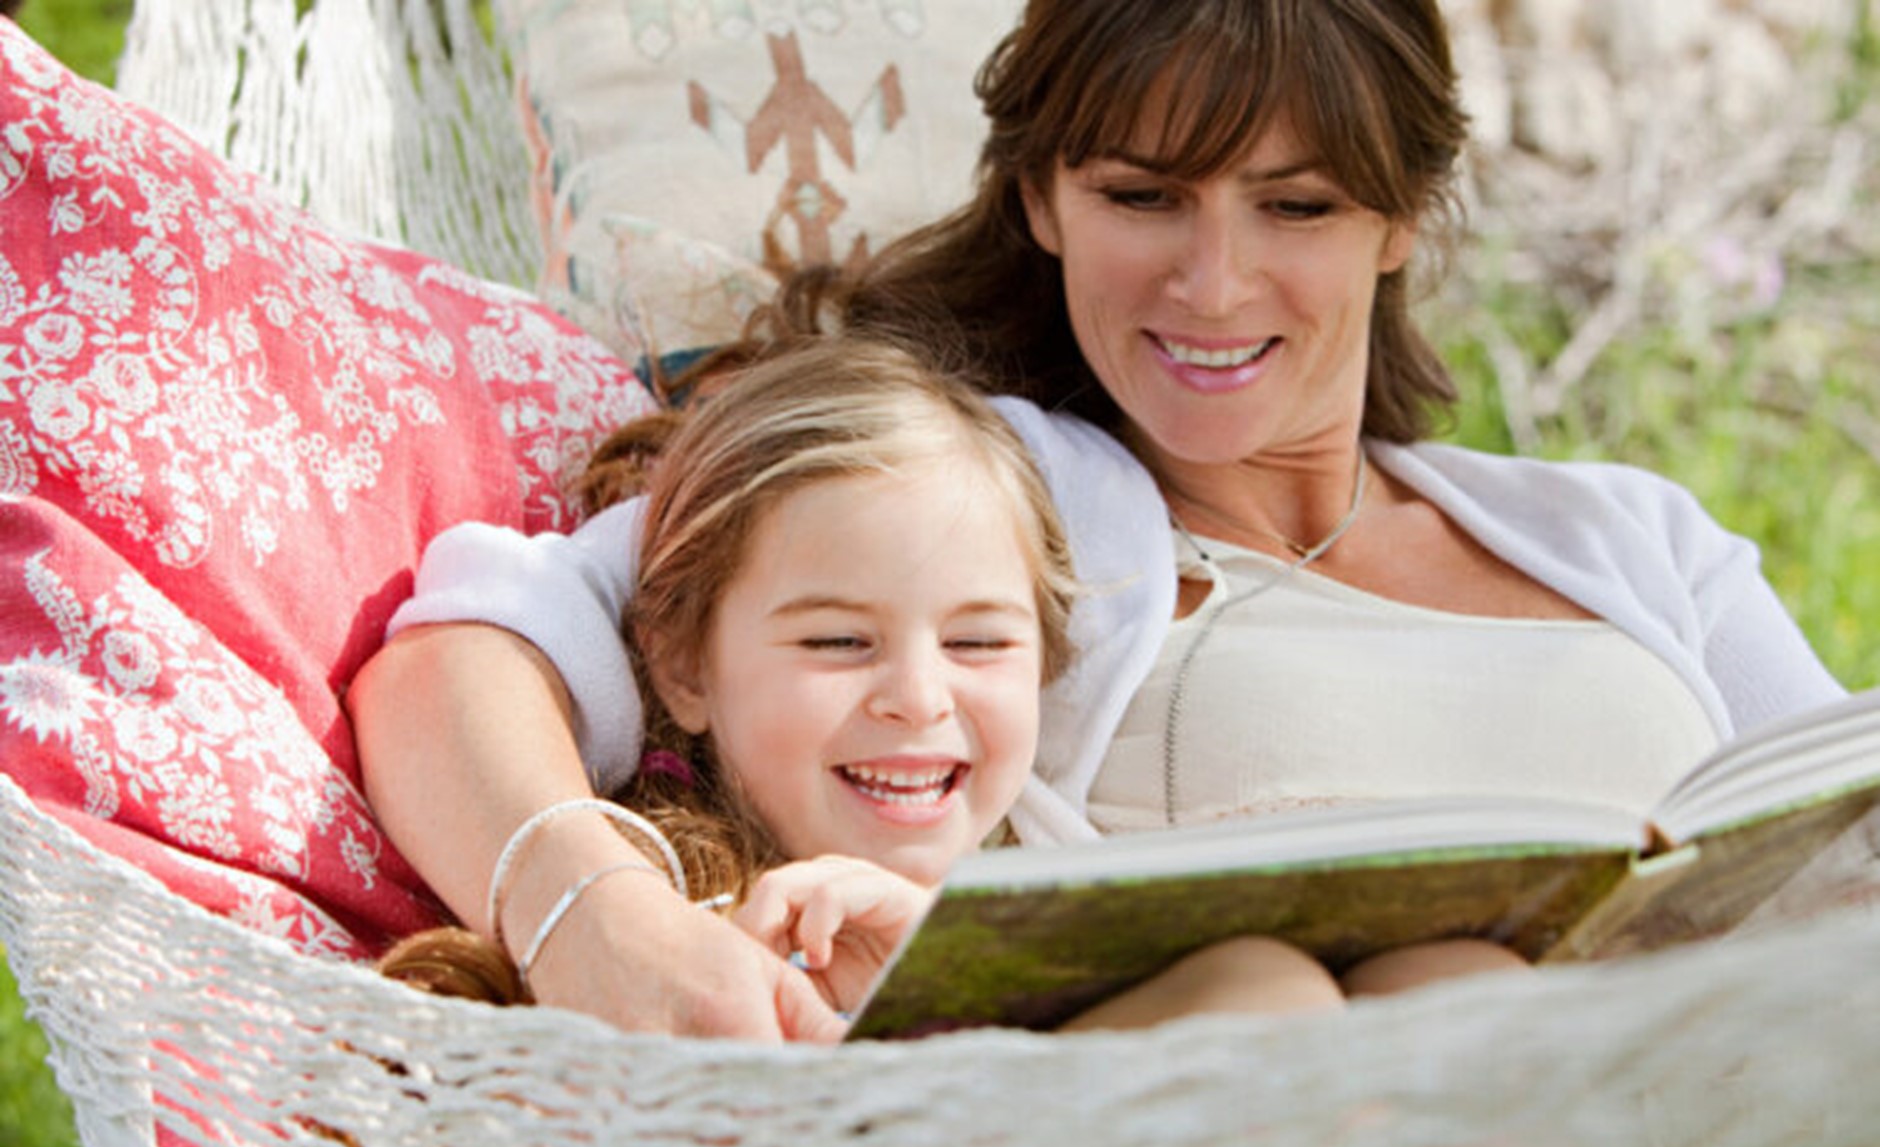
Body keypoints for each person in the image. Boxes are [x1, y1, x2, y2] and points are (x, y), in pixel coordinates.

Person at [348, 0, 1845, 1040]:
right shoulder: (978, 492)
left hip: (1761, 1104)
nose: (1212, 282)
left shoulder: (1632, 537)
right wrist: (599, 917)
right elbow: (463, 655)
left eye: (1298, 207)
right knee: (1442, 992)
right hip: (1323, 1125)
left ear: (1404, 219)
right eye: (1145, 196)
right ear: (1044, 198)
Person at [375, 332, 1347, 1030]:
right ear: (681, 667)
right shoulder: (687, 948)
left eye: (977, 646)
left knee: (1268, 983)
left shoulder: (1055, 869)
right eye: (838, 642)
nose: (918, 698)